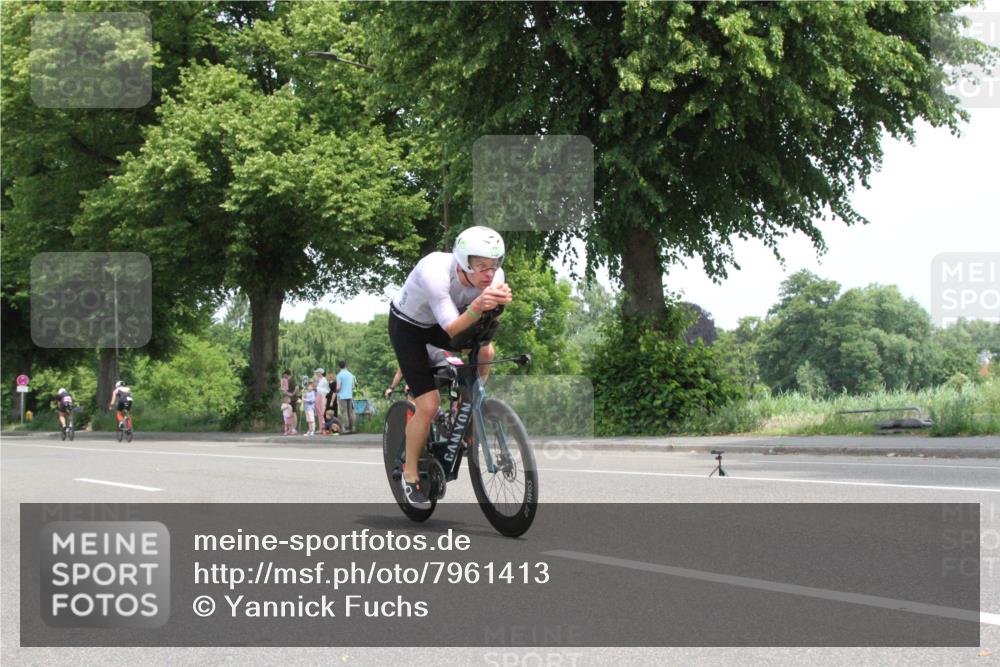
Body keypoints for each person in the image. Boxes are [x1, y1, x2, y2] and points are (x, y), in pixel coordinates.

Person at [387, 225, 511, 508]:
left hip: (447, 323)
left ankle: (467, 408)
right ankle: (409, 475)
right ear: (463, 262)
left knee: (486, 351)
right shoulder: (434, 271)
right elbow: (453, 328)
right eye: (481, 267)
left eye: (494, 266)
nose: (489, 274)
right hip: (409, 328)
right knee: (428, 405)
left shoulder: (494, 277)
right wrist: (480, 306)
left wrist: (496, 307)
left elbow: (477, 329)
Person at [335, 360, 357, 434]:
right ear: (346, 365)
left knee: (344, 412)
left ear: (339, 366)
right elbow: (353, 386)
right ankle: (352, 427)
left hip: (342, 395)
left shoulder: (339, 375)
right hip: (349, 395)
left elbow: (338, 387)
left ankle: (346, 428)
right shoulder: (351, 375)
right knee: (350, 411)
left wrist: (336, 391)